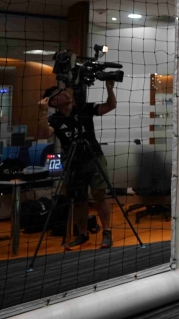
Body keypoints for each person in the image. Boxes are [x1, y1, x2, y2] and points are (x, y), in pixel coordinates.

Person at [37, 81, 117, 249]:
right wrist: (43, 112)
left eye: (64, 91)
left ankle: (107, 232)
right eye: (59, 93)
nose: (65, 93)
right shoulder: (55, 119)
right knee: (79, 200)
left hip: (94, 158)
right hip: (74, 163)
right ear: (53, 102)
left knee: (99, 195)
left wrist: (109, 89)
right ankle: (82, 234)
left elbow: (110, 106)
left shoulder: (83, 108)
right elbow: (44, 133)